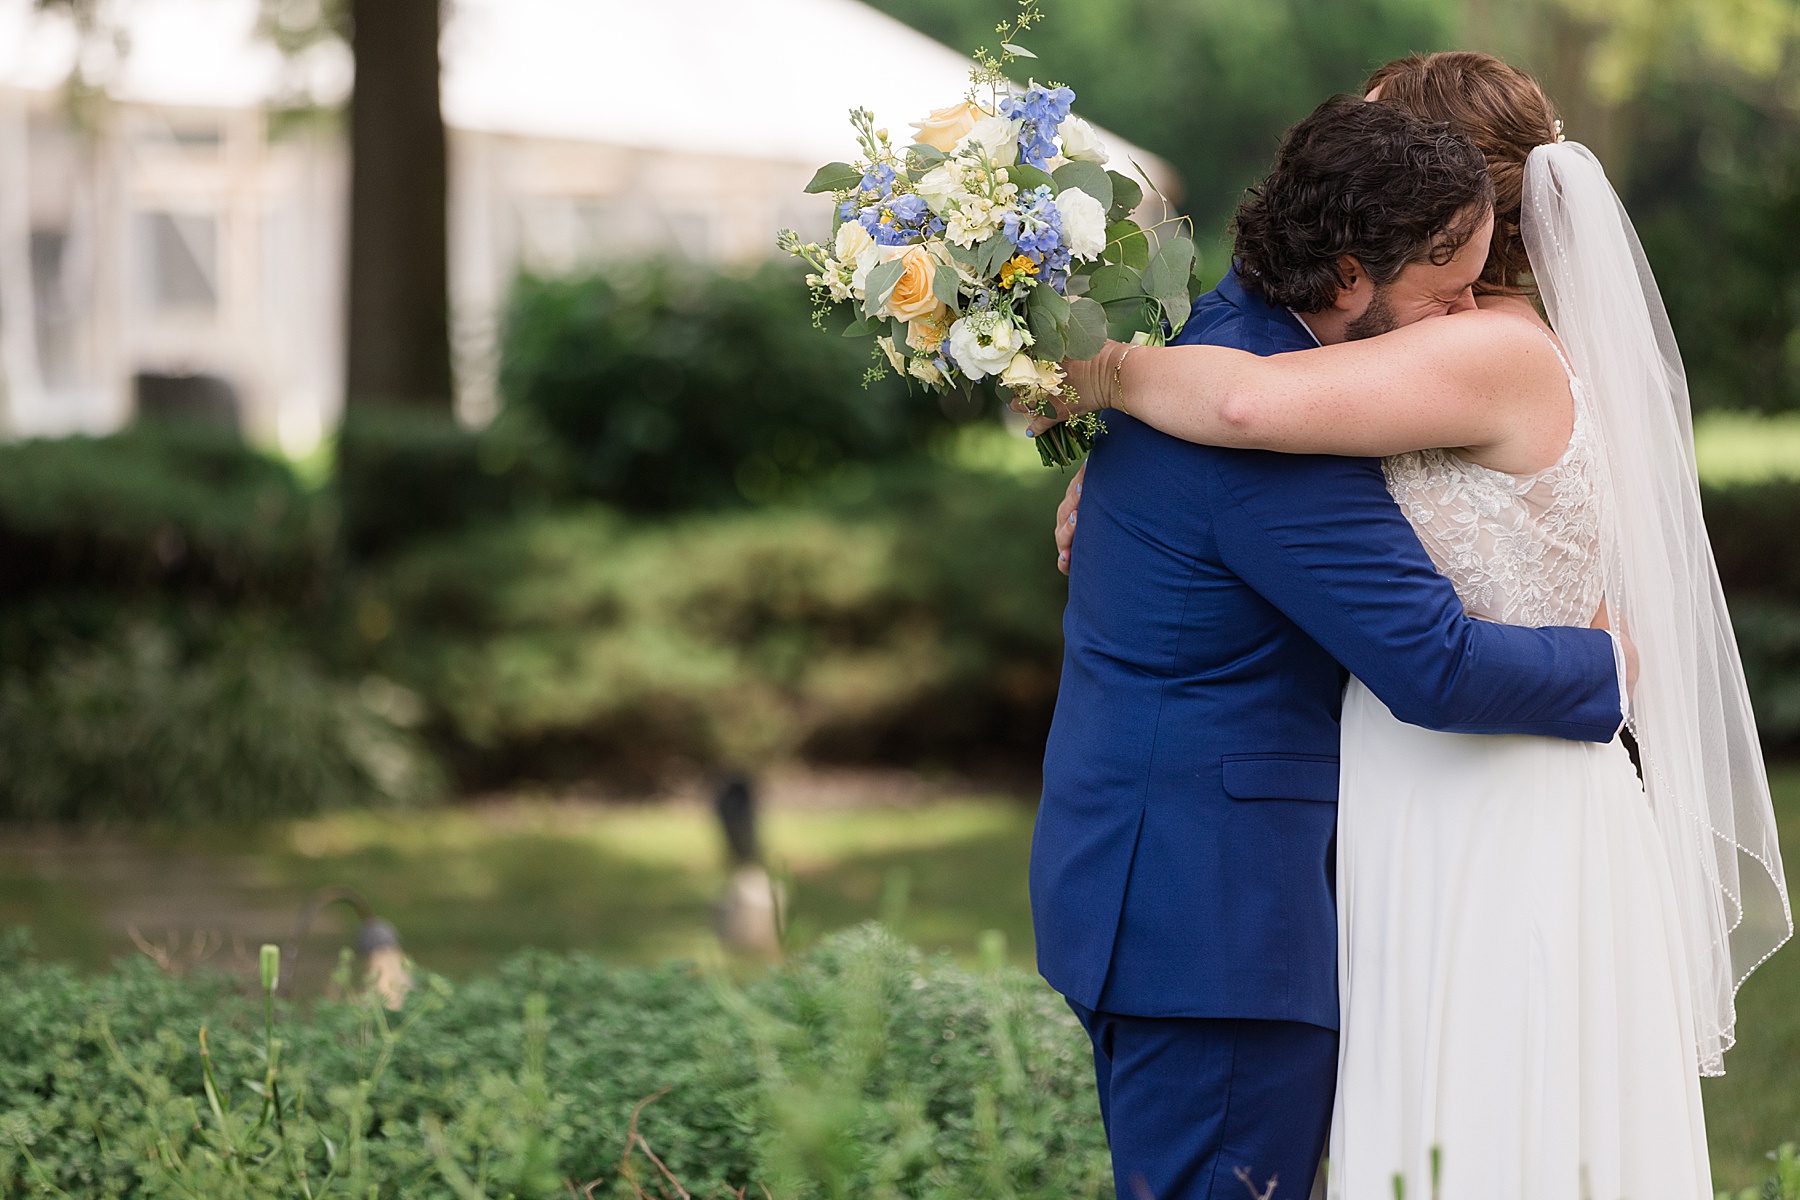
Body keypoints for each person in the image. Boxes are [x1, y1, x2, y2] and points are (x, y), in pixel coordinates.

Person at [1035, 53, 1792, 1200]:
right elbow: (1238, 426)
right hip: (1372, 816)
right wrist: (1125, 465)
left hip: (1473, 797)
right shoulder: (1401, 338)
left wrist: (1105, 378)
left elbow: (1245, 407)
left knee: (1494, 1129)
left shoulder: (1458, 347)